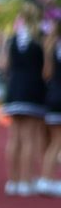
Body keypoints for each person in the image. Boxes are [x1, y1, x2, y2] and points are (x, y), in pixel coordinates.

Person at [0, 2, 47, 196]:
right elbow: (46, 69)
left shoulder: (12, 39)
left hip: (14, 89)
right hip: (33, 89)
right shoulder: (41, 40)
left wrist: (2, 45)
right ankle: (26, 181)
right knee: (29, 139)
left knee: (14, 137)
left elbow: (3, 66)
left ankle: (13, 181)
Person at [40, 17, 61, 196]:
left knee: (54, 142)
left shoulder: (51, 45)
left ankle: (46, 179)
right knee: (57, 142)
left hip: (53, 95)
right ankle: (47, 180)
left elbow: (46, 73)